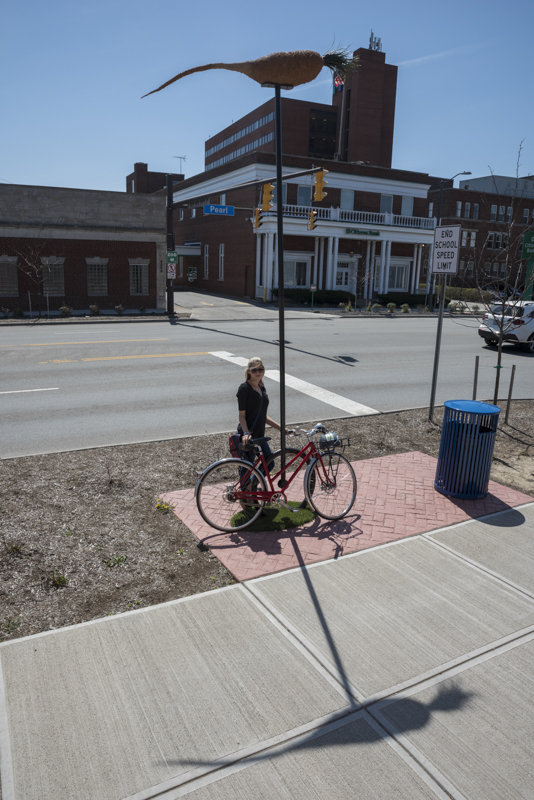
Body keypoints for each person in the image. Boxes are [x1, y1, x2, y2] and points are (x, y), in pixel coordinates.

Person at [236, 356, 289, 475]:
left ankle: (253, 484)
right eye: (254, 370)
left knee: (269, 463)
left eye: (261, 369)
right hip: (248, 436)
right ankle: (246, 491)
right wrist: (246, 433)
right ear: (249, 371)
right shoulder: (244, 388)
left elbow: (262, 415)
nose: (258, 372)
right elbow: (241, 416)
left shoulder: (261, 387)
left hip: (260, 434)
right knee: (247, 468)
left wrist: (280, 428)